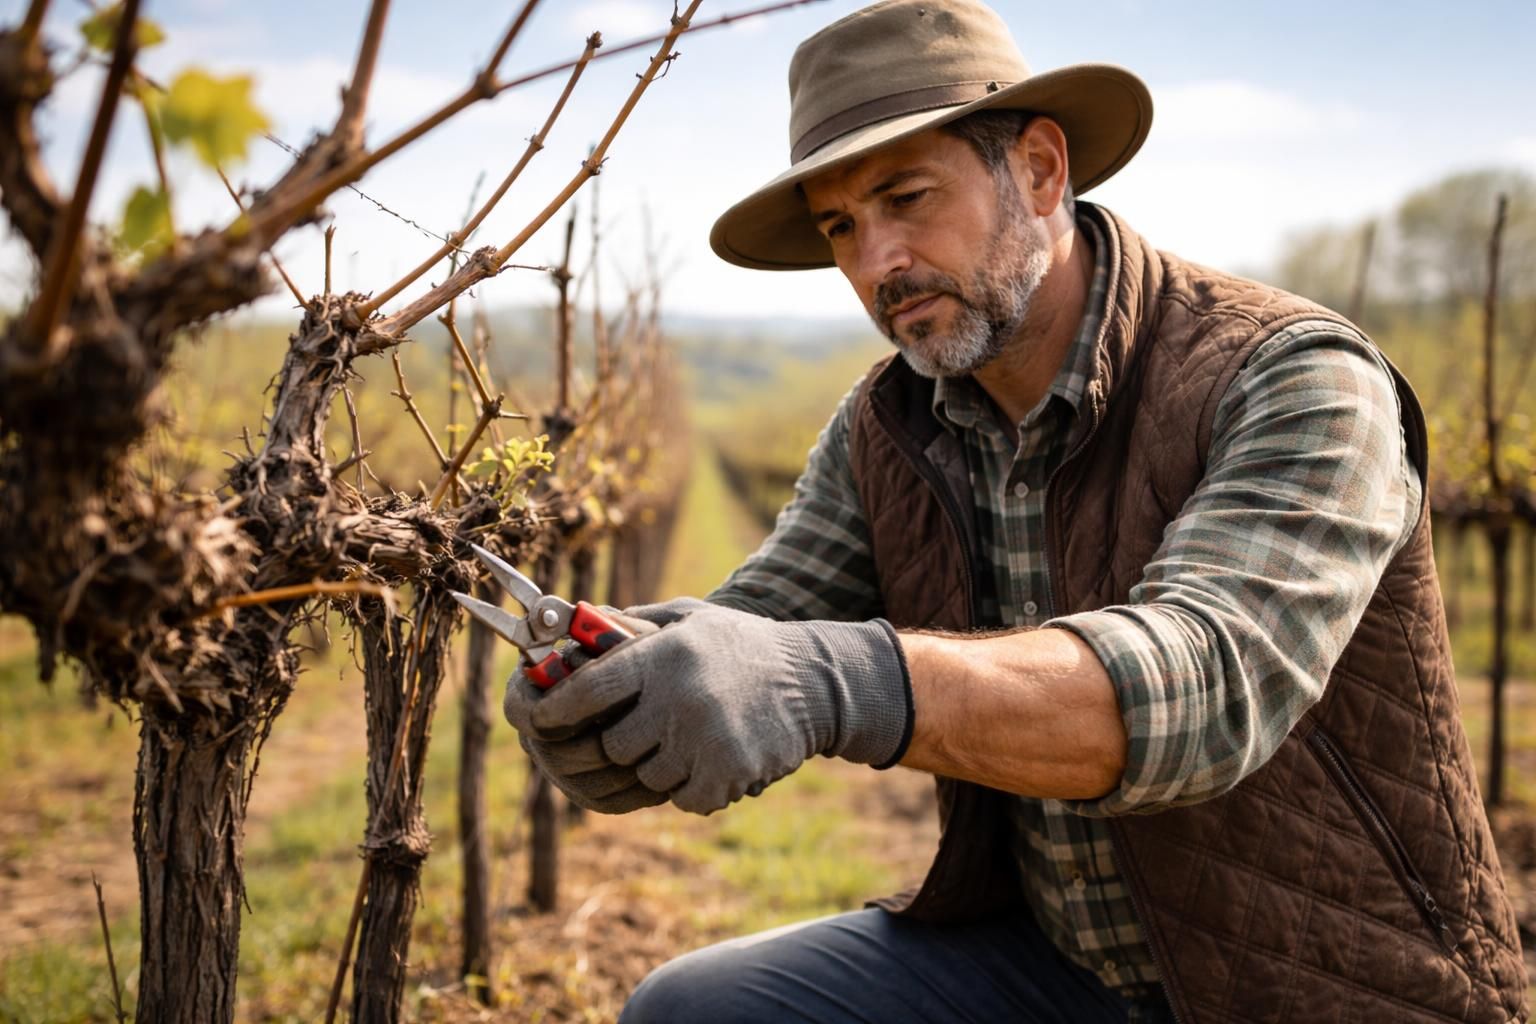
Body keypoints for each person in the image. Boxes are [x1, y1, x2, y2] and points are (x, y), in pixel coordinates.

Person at [501, 1, 1528, 1020]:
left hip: (1323, 986)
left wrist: (841, 679)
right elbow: (759, 626)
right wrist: (623, 687)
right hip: (1052, 968)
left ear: (1041, 170)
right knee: (695, 1010)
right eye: (841, 227)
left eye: (906, 198)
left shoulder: (1295, 377)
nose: (875, 263)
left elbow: (1209, 684)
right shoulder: (887, 427)